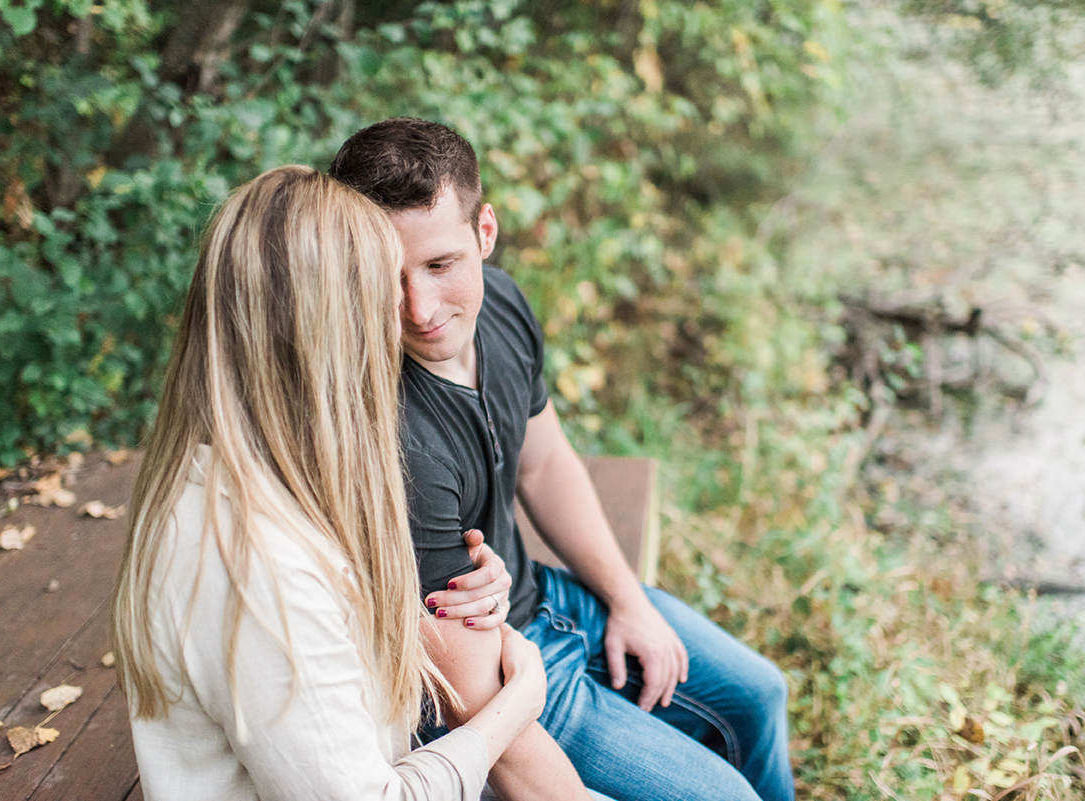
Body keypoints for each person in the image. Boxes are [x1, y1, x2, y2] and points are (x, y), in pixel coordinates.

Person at [330, 119, 796, 801]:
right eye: (386, 275)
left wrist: (627, 600)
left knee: (760, 692)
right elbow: (466, 692)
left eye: (439, 265)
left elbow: (544, 465)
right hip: (498, 676)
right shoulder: (391, 430)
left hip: (544, 600)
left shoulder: (504, 307)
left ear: (485, 232)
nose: (419, 308)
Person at [109, 165, 576, 801]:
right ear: (331, 326)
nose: (412, 313)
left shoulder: (283, 472)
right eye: (384, 289)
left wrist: (466, 599)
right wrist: (518, 701)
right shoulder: (251, 568)